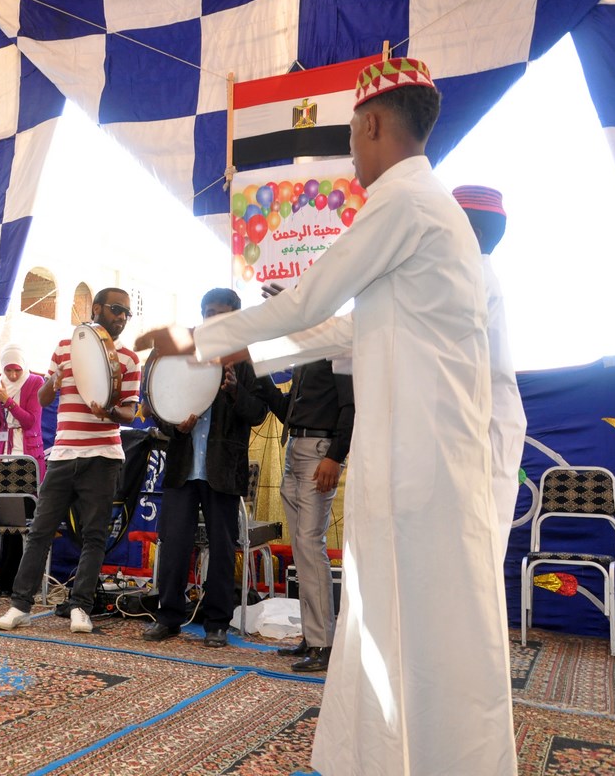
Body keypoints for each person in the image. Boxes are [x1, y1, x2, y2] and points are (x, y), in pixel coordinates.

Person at [137, 59, 516, 774]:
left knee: (423, 628)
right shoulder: (428, 210)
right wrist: (238, 347)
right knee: (406, 627)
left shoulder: (403, 203)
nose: (352, 154)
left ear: (370, 125)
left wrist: (195, 339)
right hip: (422, 457)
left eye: (349, 137)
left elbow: (311, 299)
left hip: (419, 459)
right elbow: (345, 328)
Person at [0, 288, 141, 634]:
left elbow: (131, 412)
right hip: (62, 455)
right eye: (116, 309)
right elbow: (44, 398)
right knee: (40, 531)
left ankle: (80, 608)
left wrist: (108, 412)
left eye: (126, 313)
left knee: (94, 535)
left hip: (103, 457)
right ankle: (19, 606)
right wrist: (53, 381)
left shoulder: (130, 359)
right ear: (97, 308)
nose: (122, 317)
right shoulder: (64, 347)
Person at [142, 288, 269, 648]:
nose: (213, 318)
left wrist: (235, 391)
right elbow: (160, 405)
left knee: (223, 548)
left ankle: (217, 623)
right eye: (209, 312)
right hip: (183, 467)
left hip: (223, 469)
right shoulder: (180, 352)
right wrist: (175, 427)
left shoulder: (246, 357)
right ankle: (168, 618)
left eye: (222, 314)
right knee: (174, 544)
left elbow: (259, 412)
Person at [259, 358, 354, 672]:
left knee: (310, 545)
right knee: (302, 548)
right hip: (296, 446)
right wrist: (260, 377)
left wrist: (335, 456)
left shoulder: (337, 349)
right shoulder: (308, 353)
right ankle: (313, 636)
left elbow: (351, 406)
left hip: (319, 449)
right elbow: (287, 410)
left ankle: (324, 643)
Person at [453, 185, 527, 560]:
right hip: (484, 428)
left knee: (476, 555)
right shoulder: (473, 276)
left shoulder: (473, 278)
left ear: (475, 234)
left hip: (485, 431)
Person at [0, 345, 47, 595]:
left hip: (26, 461)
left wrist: (7, 401)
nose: (12, 375)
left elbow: (30, 421)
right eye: (8, 370)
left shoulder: (35, 383)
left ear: (24, 367)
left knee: (17, 524)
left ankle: (8, 583)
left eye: (17, 370)